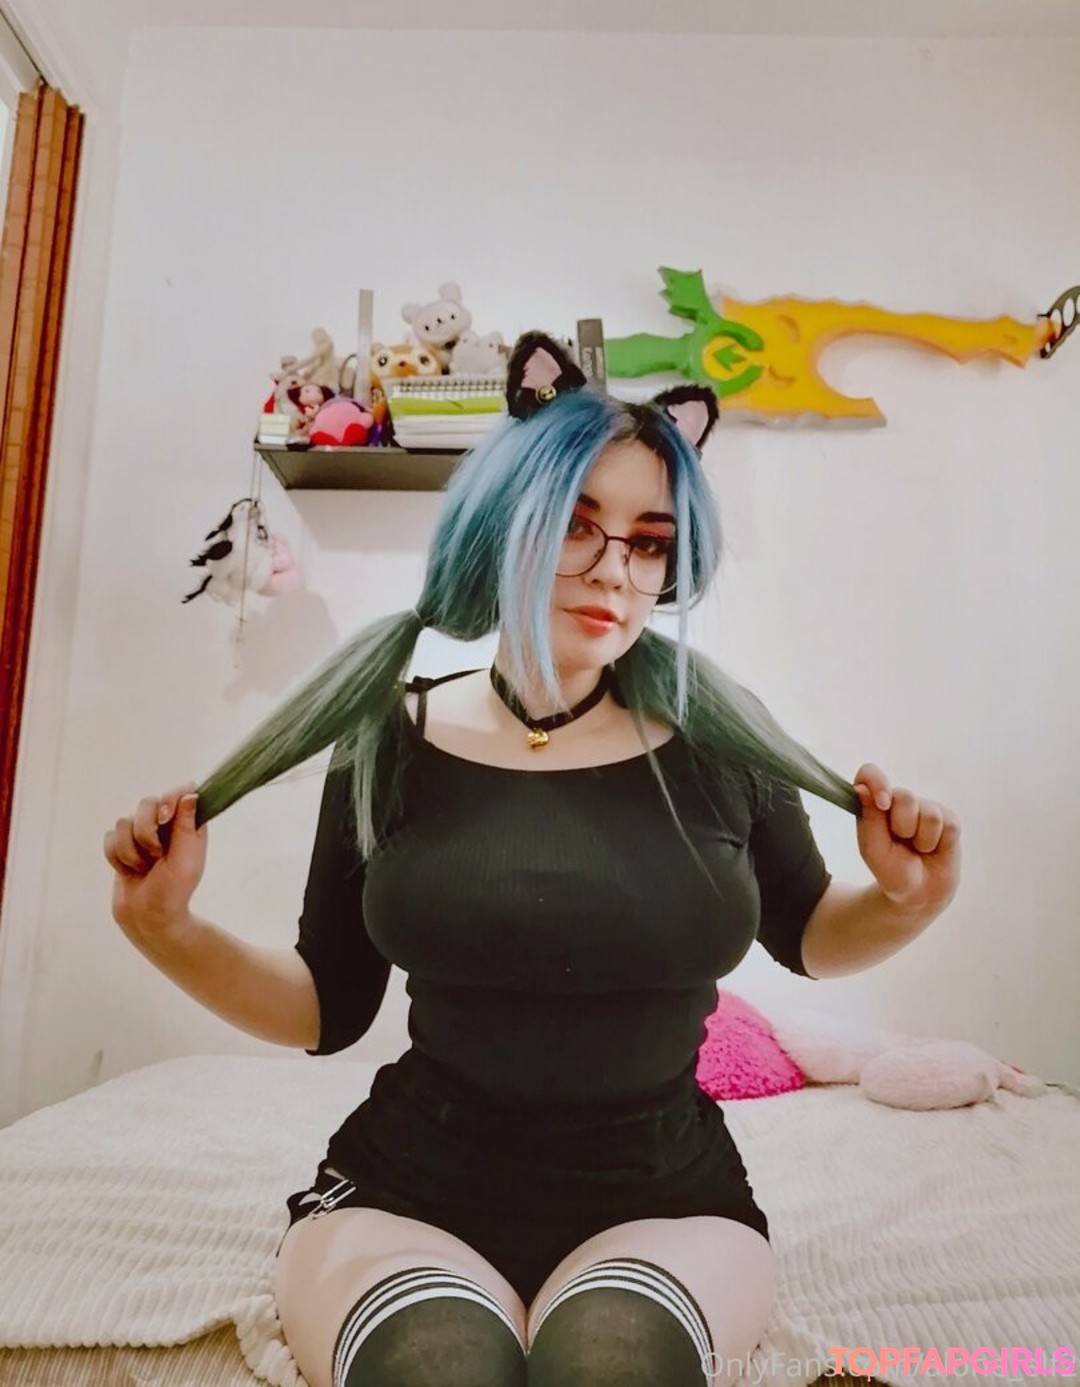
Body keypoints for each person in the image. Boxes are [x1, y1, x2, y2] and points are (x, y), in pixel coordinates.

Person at [104, 331, 961, 1387]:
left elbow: (810, 933)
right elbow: (327, 1005)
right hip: (411, 1191)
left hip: (664, 1196)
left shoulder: (720, 739)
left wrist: (908, 898)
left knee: (609, 1368)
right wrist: (167, 927)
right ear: (506, 520)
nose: (615, 571)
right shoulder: (390, 737)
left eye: (649, 542)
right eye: (577, 526)